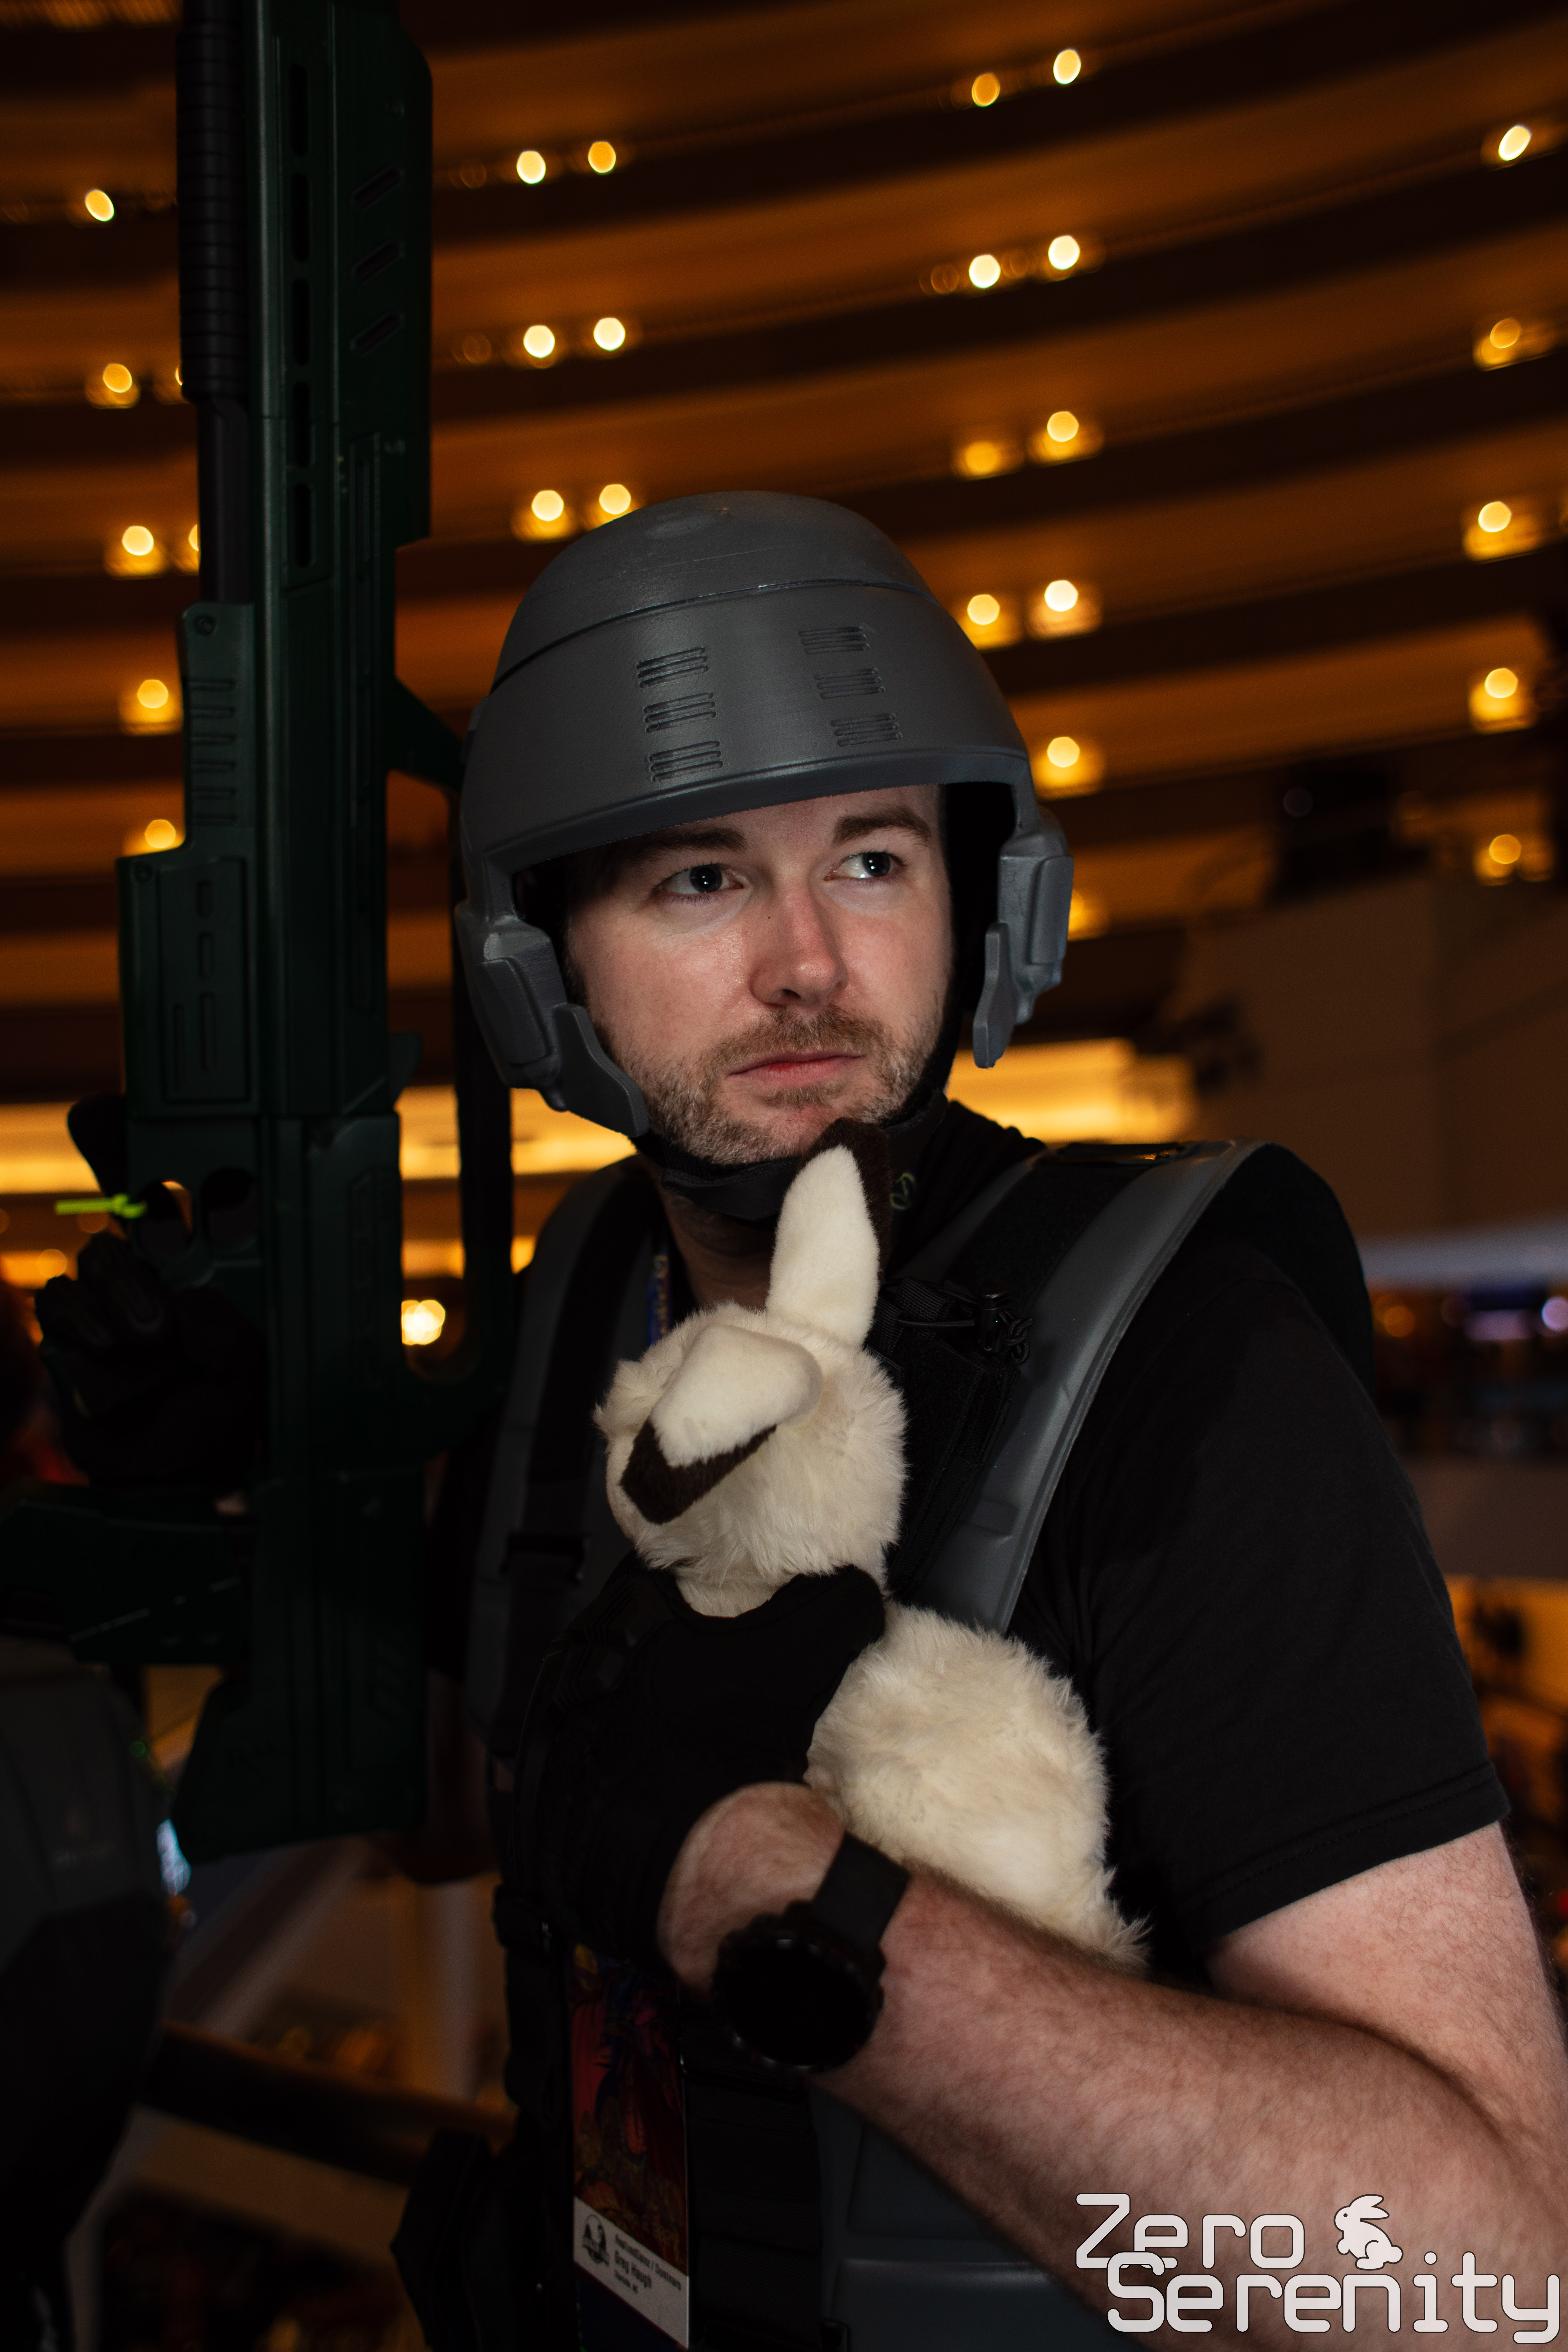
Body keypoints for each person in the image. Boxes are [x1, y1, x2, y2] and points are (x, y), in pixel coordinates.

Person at [415, 492, 1567, 2351]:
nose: (808, 962)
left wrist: (773, 1887)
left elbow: (1485, 2281)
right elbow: (475, 1809)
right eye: (701, 879)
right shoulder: (582, 1297)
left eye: (871, 859)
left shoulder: (1190, 1366)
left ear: (985, 905)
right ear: (540, 964)